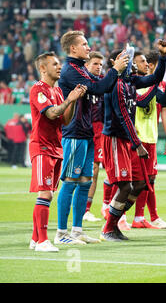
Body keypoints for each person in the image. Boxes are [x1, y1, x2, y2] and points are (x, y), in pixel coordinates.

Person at [55, 30, 129, 245]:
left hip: (86, 132)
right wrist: (115, 69)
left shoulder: (81, 69)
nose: (89, 47)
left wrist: (120, 71)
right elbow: (99, 88)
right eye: (85, 44)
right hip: (75, 133)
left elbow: (102, 86)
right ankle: (61, 233)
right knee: (70, 182)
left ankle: (77, 230)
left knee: (85, 182)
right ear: (73, 49)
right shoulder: (70, 71)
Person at [101, 41, 166, 242]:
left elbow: (156, 77)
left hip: (127, 139)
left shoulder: (130, 81)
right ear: (115, 62)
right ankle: (109, 227)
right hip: (115, 138)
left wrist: (163, 57)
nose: (129, 63)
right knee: (125, 186)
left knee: (139, 185)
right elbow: (123, 116)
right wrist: (137, 144)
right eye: (126, 59)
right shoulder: (116, 84)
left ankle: (113, 224)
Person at [28, 51, 86, 252]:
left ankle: (36, 239)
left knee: (49, 194)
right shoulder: (37, 89)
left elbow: (66, 120)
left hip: (56, 147)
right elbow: (52, 113)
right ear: (43, 68)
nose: (59, 67)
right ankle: (43, 241)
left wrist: (73, 100)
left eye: (59, 64)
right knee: (45, 193)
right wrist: (68, 100)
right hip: (42, 146)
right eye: (54, 64)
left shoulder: (59, 91)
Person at [132, 49, 166, 229]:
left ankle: (148, 216)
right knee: (134, 179)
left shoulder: (156, 85)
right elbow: (142, 101)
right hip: (137, 137)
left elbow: (164, 105)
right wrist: (160, 81)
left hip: (150, 136)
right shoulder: (136, 83)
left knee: (150, 179)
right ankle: (119, 216)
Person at [82, 51, 104, 223]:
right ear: (87, 65)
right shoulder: (80, 80)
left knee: (95, 171)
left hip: (100, 128)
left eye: (100, 64)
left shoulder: (104, 81)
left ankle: (86, 210)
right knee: (77, 173)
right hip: (81, 128)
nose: (98, 67)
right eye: (95, 64)